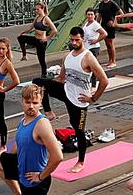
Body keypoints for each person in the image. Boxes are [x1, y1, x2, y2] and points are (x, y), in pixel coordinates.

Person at [33, 26, 109, 173]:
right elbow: (61, 78)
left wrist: (93, 98)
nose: (74, 43)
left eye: (77, 40)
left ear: (83, 39)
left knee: (78, 130)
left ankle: (80, 162)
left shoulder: (88, 57)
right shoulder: (67, 57)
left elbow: (104, 81)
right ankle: (48, 112)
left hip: (79, 100)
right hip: (66, 92)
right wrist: (50, 81)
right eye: (72, 40)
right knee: (38, 81)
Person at [17, 1, 57, 70]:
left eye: (38, 9)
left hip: (41, 41)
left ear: (42, 9)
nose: (36, 11)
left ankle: (44, 74)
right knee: (20, 38)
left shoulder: (46, 18)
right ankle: (24, 56)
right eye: (35, 9)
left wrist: (47, 38)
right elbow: (30, 28)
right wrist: (22, 33)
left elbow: (54, 30)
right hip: (35, 39)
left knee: (41, 59)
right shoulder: (37, 17)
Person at [95, 0, 123, 69]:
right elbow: (99, 16)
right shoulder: (101, 4)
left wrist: (113, 22)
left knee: (111, 44)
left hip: (110, 26)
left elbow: (121, 14)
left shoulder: (112, 3)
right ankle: (110, 60)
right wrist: (96, 25)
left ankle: (114, 61)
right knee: (107, 44)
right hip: (103, 26)